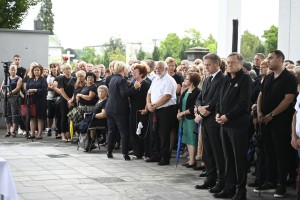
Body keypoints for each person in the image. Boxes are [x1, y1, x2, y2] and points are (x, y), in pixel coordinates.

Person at [256, 50, 298, 198]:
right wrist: (260, 112)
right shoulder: (267, 77)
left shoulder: (289, 78)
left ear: (280, 59)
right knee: (269, 152)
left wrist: (272, 114)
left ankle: (281, 184)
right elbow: (260, 95)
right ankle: (271, 180)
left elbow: (288, 99)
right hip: (265, 121)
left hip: (281, 122)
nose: (268, 61)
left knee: (281, 154)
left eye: (271, 58)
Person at [215, 52, 252, 200]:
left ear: (241, 64)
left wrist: (227, 116)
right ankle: (229, 188)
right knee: (228, 157)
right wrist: (218, 113)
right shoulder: (225, 79)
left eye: (233, 62)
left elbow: (244, 103)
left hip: (237, 125)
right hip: (224, 124)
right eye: (228, 62)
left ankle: (241, 191)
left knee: (238, 159)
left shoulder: (245, 79)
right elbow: (219, 99)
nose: (229, 64)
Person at [194, 53, 225, 194]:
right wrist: (200, 108)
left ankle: (221, 181)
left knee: (217, 152)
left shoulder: (223, 79)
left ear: (217, 63)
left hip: (214, 121)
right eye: (205, 65)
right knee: (207, 152)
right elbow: (199, 97)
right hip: (205, 120)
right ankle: (210, 178)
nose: (205, 68)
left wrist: (208, 110)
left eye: (208, 65)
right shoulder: (206, 80)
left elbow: (218, 98)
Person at [105, 61, 141, 160]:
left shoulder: (112, 78)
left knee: (111, 131)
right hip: (119, 109)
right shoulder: (121, 80)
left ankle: (109, 151)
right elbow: (124, 94)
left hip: (110, 108)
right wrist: (135, 88)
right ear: (123, 69)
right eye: (126, 68)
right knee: (124, 132)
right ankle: (125, 154)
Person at [146, 61, 177, 165]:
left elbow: (167, 96)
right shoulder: (155, 79)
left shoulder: (169, 80)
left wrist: (154, 106)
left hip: (165, 110)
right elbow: (149, 93)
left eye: (160, 68)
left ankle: (164, 157)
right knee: (153, 132)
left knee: (164, 134)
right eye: (156, 68)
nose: (157, 70)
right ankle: (155, 155)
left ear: (166, 68)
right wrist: (148, 104)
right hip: (154, 109)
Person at [178, 72, 200, 167]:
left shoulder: (197, 92)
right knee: (186, 138)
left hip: (191, 118)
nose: (185, 80)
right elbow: (180, 102)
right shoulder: (186, 90)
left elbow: (194, 106)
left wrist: (183, 113)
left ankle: (192, 160)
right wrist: (179, 112)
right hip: (183, 118)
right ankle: (190, 159)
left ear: (192, 81)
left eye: (186, 79)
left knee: (192, 139)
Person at [129, 64, 151, 159]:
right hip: (133, 110)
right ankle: (137, 151)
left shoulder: (145, 84)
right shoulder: (134, 83)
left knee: (142, 131)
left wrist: (146, 109)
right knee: (134, 130)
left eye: (136, 72)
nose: (133, 73)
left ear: (141, 74)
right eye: (133, 71)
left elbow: (149, 97)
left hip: (142, 110)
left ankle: (144, 152)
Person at [26, 64, 48, 139]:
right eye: (35, 70)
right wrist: (28, 92)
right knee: (32, 117)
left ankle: (40, 134)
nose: (36, 71)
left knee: (39, 117)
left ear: (40, 71)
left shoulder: (43, 80)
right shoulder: (30, 79)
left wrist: (35, 90)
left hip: (40, 101)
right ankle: (32, 133)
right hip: (31, 100)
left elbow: (45, 91)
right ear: (33, 71)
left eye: (38, 70)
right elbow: (26, 89)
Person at [1, 64, 22, 137]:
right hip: (6, 98)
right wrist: (4, 93)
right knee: (7, 114)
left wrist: (9, 93)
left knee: (14, 114)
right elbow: (2, 87)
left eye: (14, 70)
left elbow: (18, 88)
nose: (13, 71)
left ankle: (13, 131)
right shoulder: (6, 78)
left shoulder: (19, 78)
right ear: (9, 70)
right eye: (11, 70)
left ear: (16, 71)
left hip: (14, 98)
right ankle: (8, 131)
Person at [58, 64, 75, 142]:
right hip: (64, 100)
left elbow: (76, 90)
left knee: (70, 117)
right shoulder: (61, 78)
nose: (68, 70)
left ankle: (69, 132)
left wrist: (71, 100)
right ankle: (63, 134)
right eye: (66, 69)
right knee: (64, 116)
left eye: (69, 68)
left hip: (72, 99)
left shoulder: (74, 78)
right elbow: (61, 90)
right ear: (63, 70)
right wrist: (68, 99)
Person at [88, 85, 108, 150]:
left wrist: (92, 116)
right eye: (99, 91)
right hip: (95, 119)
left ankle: (91, 142)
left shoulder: (106, 102)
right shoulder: (98, 101)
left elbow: (103, 115)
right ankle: (88, 142)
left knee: (88, 124)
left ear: (106, 93)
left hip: (103, 121)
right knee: (82, 124)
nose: (101, 93)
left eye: (103, 92)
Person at [46, 63, 59, 136]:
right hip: (50, 97)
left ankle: (57, 128)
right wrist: (55, 88)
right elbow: (48, 87)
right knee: (50, 114)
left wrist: (53, 87)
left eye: (55, 68)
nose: (54, 70)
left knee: (57, 114)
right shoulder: (49, 77)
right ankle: (49, 128)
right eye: (52, 68)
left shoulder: (60, 76)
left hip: (58, 97)